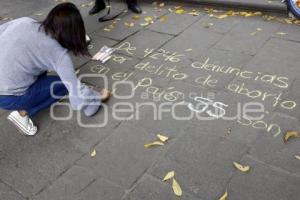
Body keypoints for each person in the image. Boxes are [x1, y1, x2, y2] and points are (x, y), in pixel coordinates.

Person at [0, 3, 111, 136]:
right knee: (63, 85)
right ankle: (22, 114)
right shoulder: (58, 54)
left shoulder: (25, 21)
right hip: (7, 97)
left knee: (37, 63)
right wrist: (97, 98)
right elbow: (79, 99)